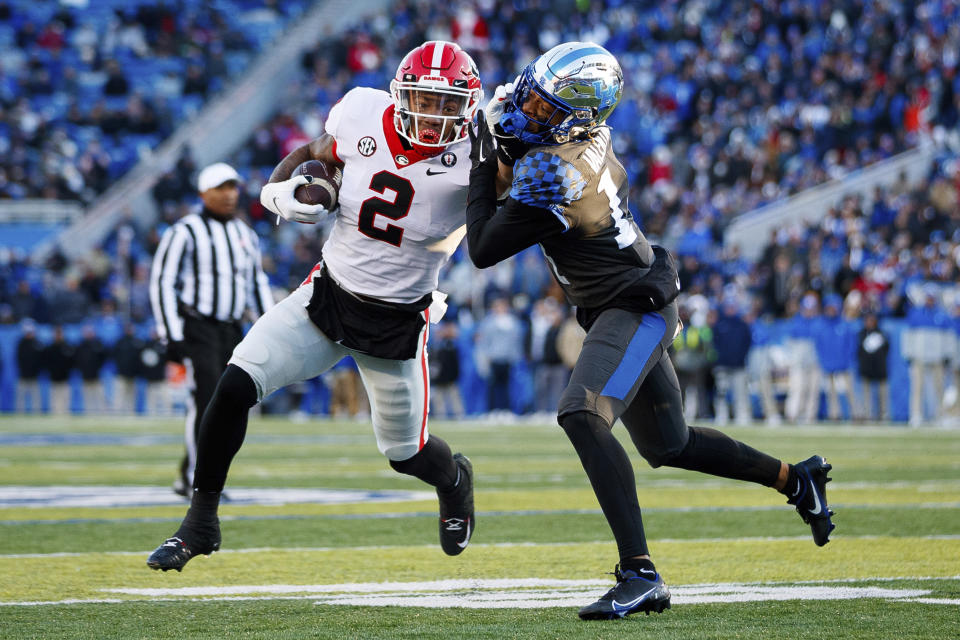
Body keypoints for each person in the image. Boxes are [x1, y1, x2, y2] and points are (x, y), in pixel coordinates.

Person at [466, 42, 834, 620]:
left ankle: (639, 574)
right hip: (632, 294)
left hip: (631, 306)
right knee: (670, 444)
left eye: (543, 107)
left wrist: (484, 160)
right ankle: (797, 480)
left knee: (581, 415)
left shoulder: (554, 169)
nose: (528, 109)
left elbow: (483, 248)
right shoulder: (587, 139)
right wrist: (509, 139)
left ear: (578, 118)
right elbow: (533, 151)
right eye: (532, 95)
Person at [147, 41, 481, 572]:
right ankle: (199, 522)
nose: (433, 114)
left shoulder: (483, 152)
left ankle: (456, 480)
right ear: (399, 94)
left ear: (468, 106)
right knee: (234, 385)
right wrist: (283, 192)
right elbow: (311, 152)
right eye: (422, 98)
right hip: (326, 296)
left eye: (446, 104)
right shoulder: (362, 113)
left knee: (406, 454)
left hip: (396, 320)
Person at [149, 161, 275, 496]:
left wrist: (271, 326)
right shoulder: (184, 231)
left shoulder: (245, 233)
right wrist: (171, 332)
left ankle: (189, 474)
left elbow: (255, 282)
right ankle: (197, 479)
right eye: (221, 188)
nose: (230, 194)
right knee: (204, 400)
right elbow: (162, 282)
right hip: (198, 327)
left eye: (233, 187)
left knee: (230, 404)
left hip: (232, 329)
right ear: (203, 193)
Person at [856, 312, 890, 421]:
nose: (869, 322)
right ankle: (867, 414)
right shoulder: (861, 334)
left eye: (872, 320)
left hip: (879, 368)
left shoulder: (882, 334)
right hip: (866, 368)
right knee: (866, 393)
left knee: (882, 393)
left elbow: (886, 349)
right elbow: (859, 351)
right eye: (868, 320)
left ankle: (884, 414)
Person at [15, 320, 43, 413]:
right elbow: (19, 359)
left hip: (34, 375)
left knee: (36, 398)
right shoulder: (21, 344)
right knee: (20, 398)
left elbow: (40, 359)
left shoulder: (37, 343)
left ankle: (37, 414)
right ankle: (19, 415)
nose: (29, 334)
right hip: (23, 375)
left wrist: (36, 371)